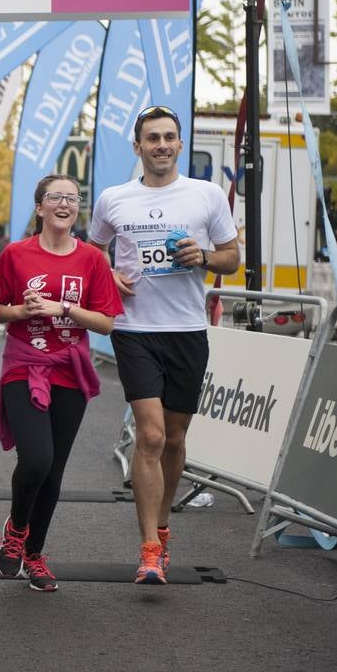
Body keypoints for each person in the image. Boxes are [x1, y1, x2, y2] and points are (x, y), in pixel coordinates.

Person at [87, 105, 240, 584]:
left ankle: (164, 527)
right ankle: (149, 549)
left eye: (169, 137)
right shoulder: (115, 198)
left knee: (175, 438)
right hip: (134, 332)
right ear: (138, 147)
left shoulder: (206, 194)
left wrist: (206, 257)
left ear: (179, 143)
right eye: (152, 138)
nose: (161, 145)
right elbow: (92, 250)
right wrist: (108, 272)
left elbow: (232, 259)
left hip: (187, 331)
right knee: (150, 435)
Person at [0, 174, 122, 592]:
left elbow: (105, 321)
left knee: (54, 470)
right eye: (55, 197)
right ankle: (16, 529)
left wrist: (61, 307)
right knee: (36, 459)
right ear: (40, 206)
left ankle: (34, 554)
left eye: (72, 198)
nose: (64, 204)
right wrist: (19, 312)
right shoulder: (15, 254)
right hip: (24, 365)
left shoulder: (91, 260)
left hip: (70, 370)